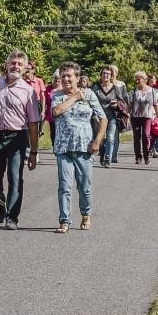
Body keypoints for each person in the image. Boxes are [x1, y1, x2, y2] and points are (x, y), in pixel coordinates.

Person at [0, 50, 41, 230]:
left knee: (15, 177)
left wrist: (34, 151)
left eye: (20, 64)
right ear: (7, 64)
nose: (16, 66)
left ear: (25, 67)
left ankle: (12, 217)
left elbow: (34, 123)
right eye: (13, 63)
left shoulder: (28, 91)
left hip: (17, 137)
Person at [51, 62, 106, 233]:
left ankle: (86, 214)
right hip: (63, 148)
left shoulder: (89, 94)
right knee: (64, 186)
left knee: (84, 186)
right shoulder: (57, 95)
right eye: (63, 76)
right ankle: (65, 220)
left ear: (77, 77)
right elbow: (56, 112)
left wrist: (97, 141)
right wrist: (74, 97)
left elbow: (103, 118)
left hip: (85, 148)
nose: (66, 79)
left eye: (69, 76)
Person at [89, 65, 129, 167]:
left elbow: (122, 102)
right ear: (101, 75)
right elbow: (90, 101)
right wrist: (94, 115)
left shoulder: (116, 88)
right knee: (100, 138)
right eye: (104, 73)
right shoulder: (96, 88)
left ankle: (108, 159)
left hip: (112, 116)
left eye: (108, 73)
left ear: (111, 76)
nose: (105, 75)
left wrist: (117, 104)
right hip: (99, 117)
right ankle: (102, 154)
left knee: (111, 138)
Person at [127, 70, 158, 165]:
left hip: (147, 116)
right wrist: (128, 116)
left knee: (146, 135)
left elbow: (155, 104)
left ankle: (146, 155)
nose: (137, 81)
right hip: (135, 117)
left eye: (139, 79)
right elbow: (130, 105)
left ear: (144, 79)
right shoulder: (133, 91)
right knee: (136, 137)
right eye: (136, 79)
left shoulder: (152, 91)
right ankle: (138, 157)